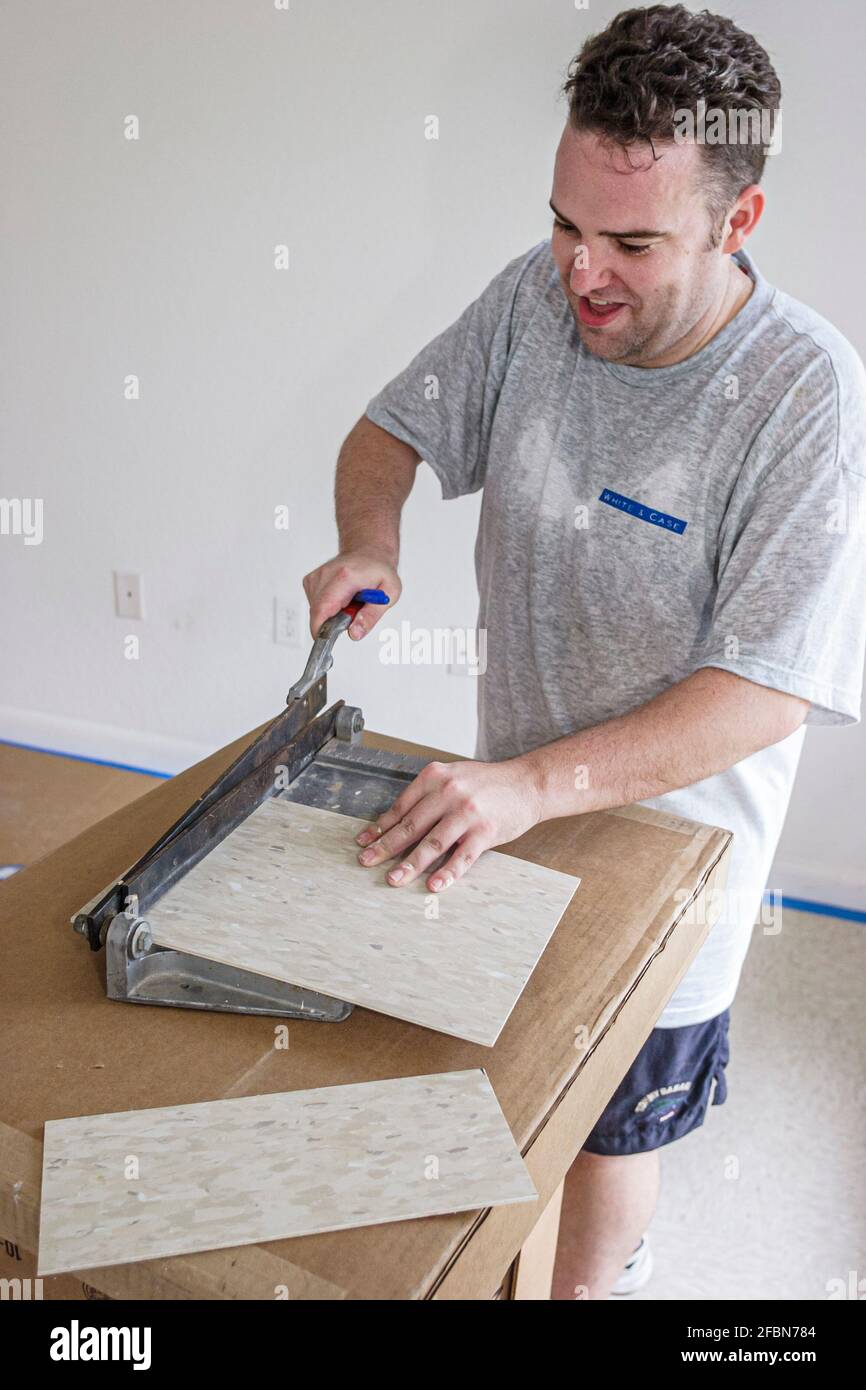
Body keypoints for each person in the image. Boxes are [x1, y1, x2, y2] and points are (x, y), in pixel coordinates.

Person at [302, 5, 866, 1299]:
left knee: (615, 1123)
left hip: (678, 865)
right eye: (563, 223)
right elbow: (386, 431)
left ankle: (598, 1278)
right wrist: (368, 541)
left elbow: (765, 689)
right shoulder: (530, 301)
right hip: (512, 813)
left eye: (627, 241)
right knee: (506, 1073)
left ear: (736, 224)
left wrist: (523, 786)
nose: (578, 270)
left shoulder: (803, 396)